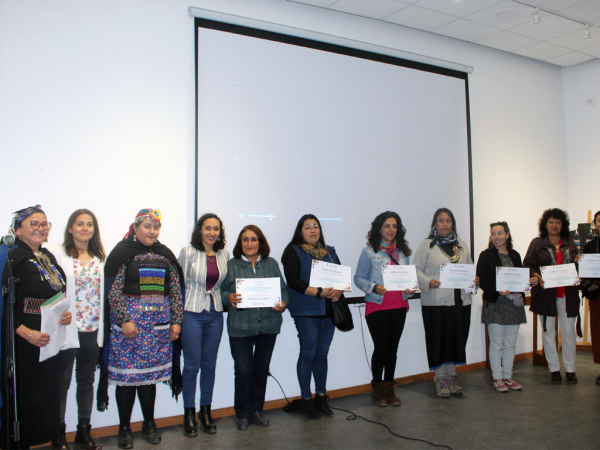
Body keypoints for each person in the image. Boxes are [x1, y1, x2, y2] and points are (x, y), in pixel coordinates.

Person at [104, 209, 184, 449]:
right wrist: (123, 319)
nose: (152, 231)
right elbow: (113, 291)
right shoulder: (122, 254)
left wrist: (176, 320)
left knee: (149, 379)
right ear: (136, 227)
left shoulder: (165, 255)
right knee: (127, 378)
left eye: (155, 227)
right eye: (147, 226)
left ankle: (149, 424)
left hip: (157, 327)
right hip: (130, 326)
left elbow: (176, 292)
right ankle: (124, 428)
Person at [0, 205, 72, 449]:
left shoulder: (46, 256)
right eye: (34, 224)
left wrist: (64, 314)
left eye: (44, 224)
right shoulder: (10, 256)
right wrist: (25, 332)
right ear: (17, 229)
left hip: (48, 340)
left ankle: (42, 439)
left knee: (45, 396)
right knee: (25, 398)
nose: (40, 228)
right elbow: (3, 303)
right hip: (23, 340)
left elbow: (57, 292)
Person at [221, 225, 289, 430]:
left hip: (268, 326)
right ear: (240, 244)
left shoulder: (272, 263)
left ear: (261, 242)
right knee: (243, 370)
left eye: (253, 239)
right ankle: (242, 413)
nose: (249, 244)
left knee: (260, 370)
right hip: (240, 327)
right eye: (245, 240)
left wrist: (283, 303)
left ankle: (256, 410)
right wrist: (228, 297)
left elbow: (283, 290)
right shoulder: (231, 264)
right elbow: (221, 291)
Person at [50, 209, 106, 450]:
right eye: (80, 224)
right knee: (61, 382)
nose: (85, 228)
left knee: (86, 380)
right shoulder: (58, 255)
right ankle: (57, 433)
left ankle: (83, 430)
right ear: (70, 228)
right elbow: (51, 291)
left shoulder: (98, 258)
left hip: (92, 328)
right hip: (67, 329)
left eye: (90, 224)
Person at [281, 214, 344, 420]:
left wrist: (339, 291)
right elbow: (292, 281)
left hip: (328, 310)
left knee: (322, 353)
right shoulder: (293, 251)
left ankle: (322, 396)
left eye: (315, 226)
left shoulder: (330, 253)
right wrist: (317, 292)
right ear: (300, 231)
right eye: (307, 227)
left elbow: (340, 278)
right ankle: (306, 399)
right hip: (306, 311)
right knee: (308, 353)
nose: (312, 231)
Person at [413, 208, 476, 398]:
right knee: (438, 338)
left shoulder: (462, 245)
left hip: (460, 301)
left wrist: (474, 282)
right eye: (441, 221)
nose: (445, 224)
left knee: (457, 338)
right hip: (436, 302)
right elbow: (415, 270)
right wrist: (427, 282)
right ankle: (440, 379)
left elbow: (470, 269)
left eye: (448, 221)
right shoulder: (426, 246)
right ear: (434, 224)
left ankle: (452, 376)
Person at [354, 211, 414, 407]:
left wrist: (410, 289)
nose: (391, 230)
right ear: (379, 228)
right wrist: (373, 287)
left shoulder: (403, 253)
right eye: (387, 226)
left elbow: (409, 282)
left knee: (392, 349)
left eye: (394, 226)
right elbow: (359, 278)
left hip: (399, 305)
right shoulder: (368, 252)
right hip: (377, 305)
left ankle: (390, 388)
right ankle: (377, 388)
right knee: (381, 348)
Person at [178, 213, 229, 436]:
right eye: (207, 228)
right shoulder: (188, 252)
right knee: (191, 366)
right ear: (200, 231)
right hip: (191, 312)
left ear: (220, 232)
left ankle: (205, 411)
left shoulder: (224, 255)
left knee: (209, 365)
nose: (212, 233)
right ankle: (189, 413)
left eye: (216, 229)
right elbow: (179, 285)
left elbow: (226, 285)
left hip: (215, 313)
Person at [476, 222, 538, 392]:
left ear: (507, 235)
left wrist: (529, 281)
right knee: (496, 343)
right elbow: (481, 279)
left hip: (514, 304)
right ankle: (497, 378)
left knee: (510, 343)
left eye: (500, 233)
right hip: (495, 303)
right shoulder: (486, 255)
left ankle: (508, 377)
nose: (496, 237)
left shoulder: (515, 255)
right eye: (493, 233)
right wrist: (497, 290)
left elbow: (520, 278)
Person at [523, 208, 581, 385]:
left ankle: (570, 369)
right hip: (545, 294)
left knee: (569, 333)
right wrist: (537, 275)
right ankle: (554, 369)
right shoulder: (537, 243)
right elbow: (528, 264)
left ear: (562, 224)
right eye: (550, 222)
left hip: (567, 294)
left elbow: (576, 269)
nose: (554, 225)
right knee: (549, 333)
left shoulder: (570, 243)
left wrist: (579, 263)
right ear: (545, 224)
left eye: (557, 222)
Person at [582, 210, 600, 385]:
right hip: (598, 294)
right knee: (598, 330)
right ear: (595, 224)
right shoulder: (589, 246)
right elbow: (584, 272)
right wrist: (589, 286)